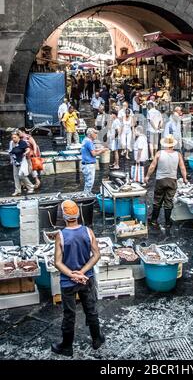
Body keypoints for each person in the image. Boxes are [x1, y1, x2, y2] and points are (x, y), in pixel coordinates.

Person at [51, 200, 105, 357]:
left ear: (64, 216)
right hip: (86, 279)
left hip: (68, 283)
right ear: (77, 214)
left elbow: (57, 262)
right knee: (91, 309)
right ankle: (97, 339)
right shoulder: (88, 232)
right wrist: (82, 272)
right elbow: (96, 255)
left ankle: (67, 347)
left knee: (69, 314)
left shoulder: (60, 235)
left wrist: (72, 274)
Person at [144, 134, 187, 235]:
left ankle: (154, 220)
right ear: (173, 145)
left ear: (165, 144)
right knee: (169, 201)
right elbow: (182, 168)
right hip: (172, 180)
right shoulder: (178, 155)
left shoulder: (159, 153)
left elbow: (152, 166)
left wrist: (147, 176)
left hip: (160, 180)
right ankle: (167, 222)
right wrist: (185, 178)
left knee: (157, 200)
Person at [81, 128, 108, 194]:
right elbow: (93, 154)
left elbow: (92, 150)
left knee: (87, 182)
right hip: (89, 165)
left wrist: (99, 149)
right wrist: (102, 151)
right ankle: (86, 196)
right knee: (89, 183)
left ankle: (86, 194)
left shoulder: (85, 140)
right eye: (95, 133)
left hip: (85, 164)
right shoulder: (89, 142)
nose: (96, 135)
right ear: (90, 134)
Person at [9, 132, 35, 196]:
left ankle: (31, 187)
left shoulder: (22, 142)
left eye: (15, 137)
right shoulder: (11, 143)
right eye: (12, 138)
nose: (13, 139)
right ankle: (18, 190)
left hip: (22, 161)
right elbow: (10, 151)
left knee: (21, 175)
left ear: (18, 137)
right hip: (15, 161)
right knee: (16, 176)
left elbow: (28, 149)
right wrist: (11, 160)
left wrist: (25, 153)